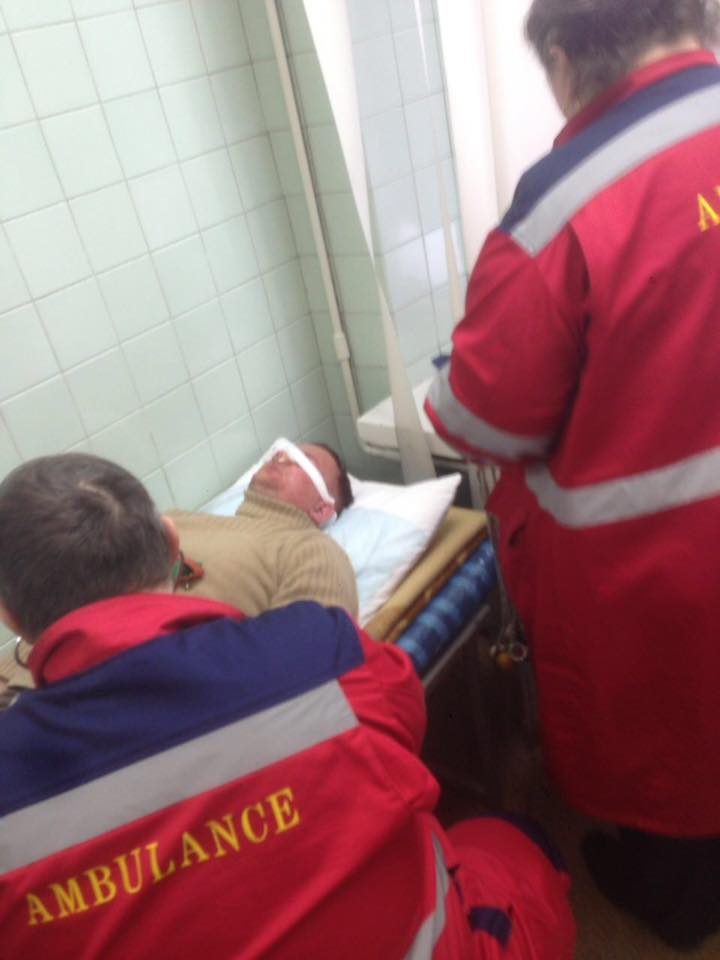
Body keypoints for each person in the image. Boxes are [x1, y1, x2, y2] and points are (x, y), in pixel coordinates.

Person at [0, 453, 575, 959]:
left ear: (9, 614)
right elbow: (396, 717)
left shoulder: (307, 550)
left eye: (305, 461)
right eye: (280, 453)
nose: (280, 458)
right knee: (511, 844)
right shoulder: (315, 648)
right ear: (173, 543)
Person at [424, 0, 720, 949]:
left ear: (562, 56)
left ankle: (677, 900)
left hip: (657, 565)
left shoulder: (567, 204)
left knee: (674, 746)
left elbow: (483, 417)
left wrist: (444, 383)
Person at [169, 439, 359, 618]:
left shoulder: (312, 550)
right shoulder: (179, 519)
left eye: (304, 460)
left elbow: (311, 638)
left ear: (321, 509)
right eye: (286, 450)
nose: (282, 456)